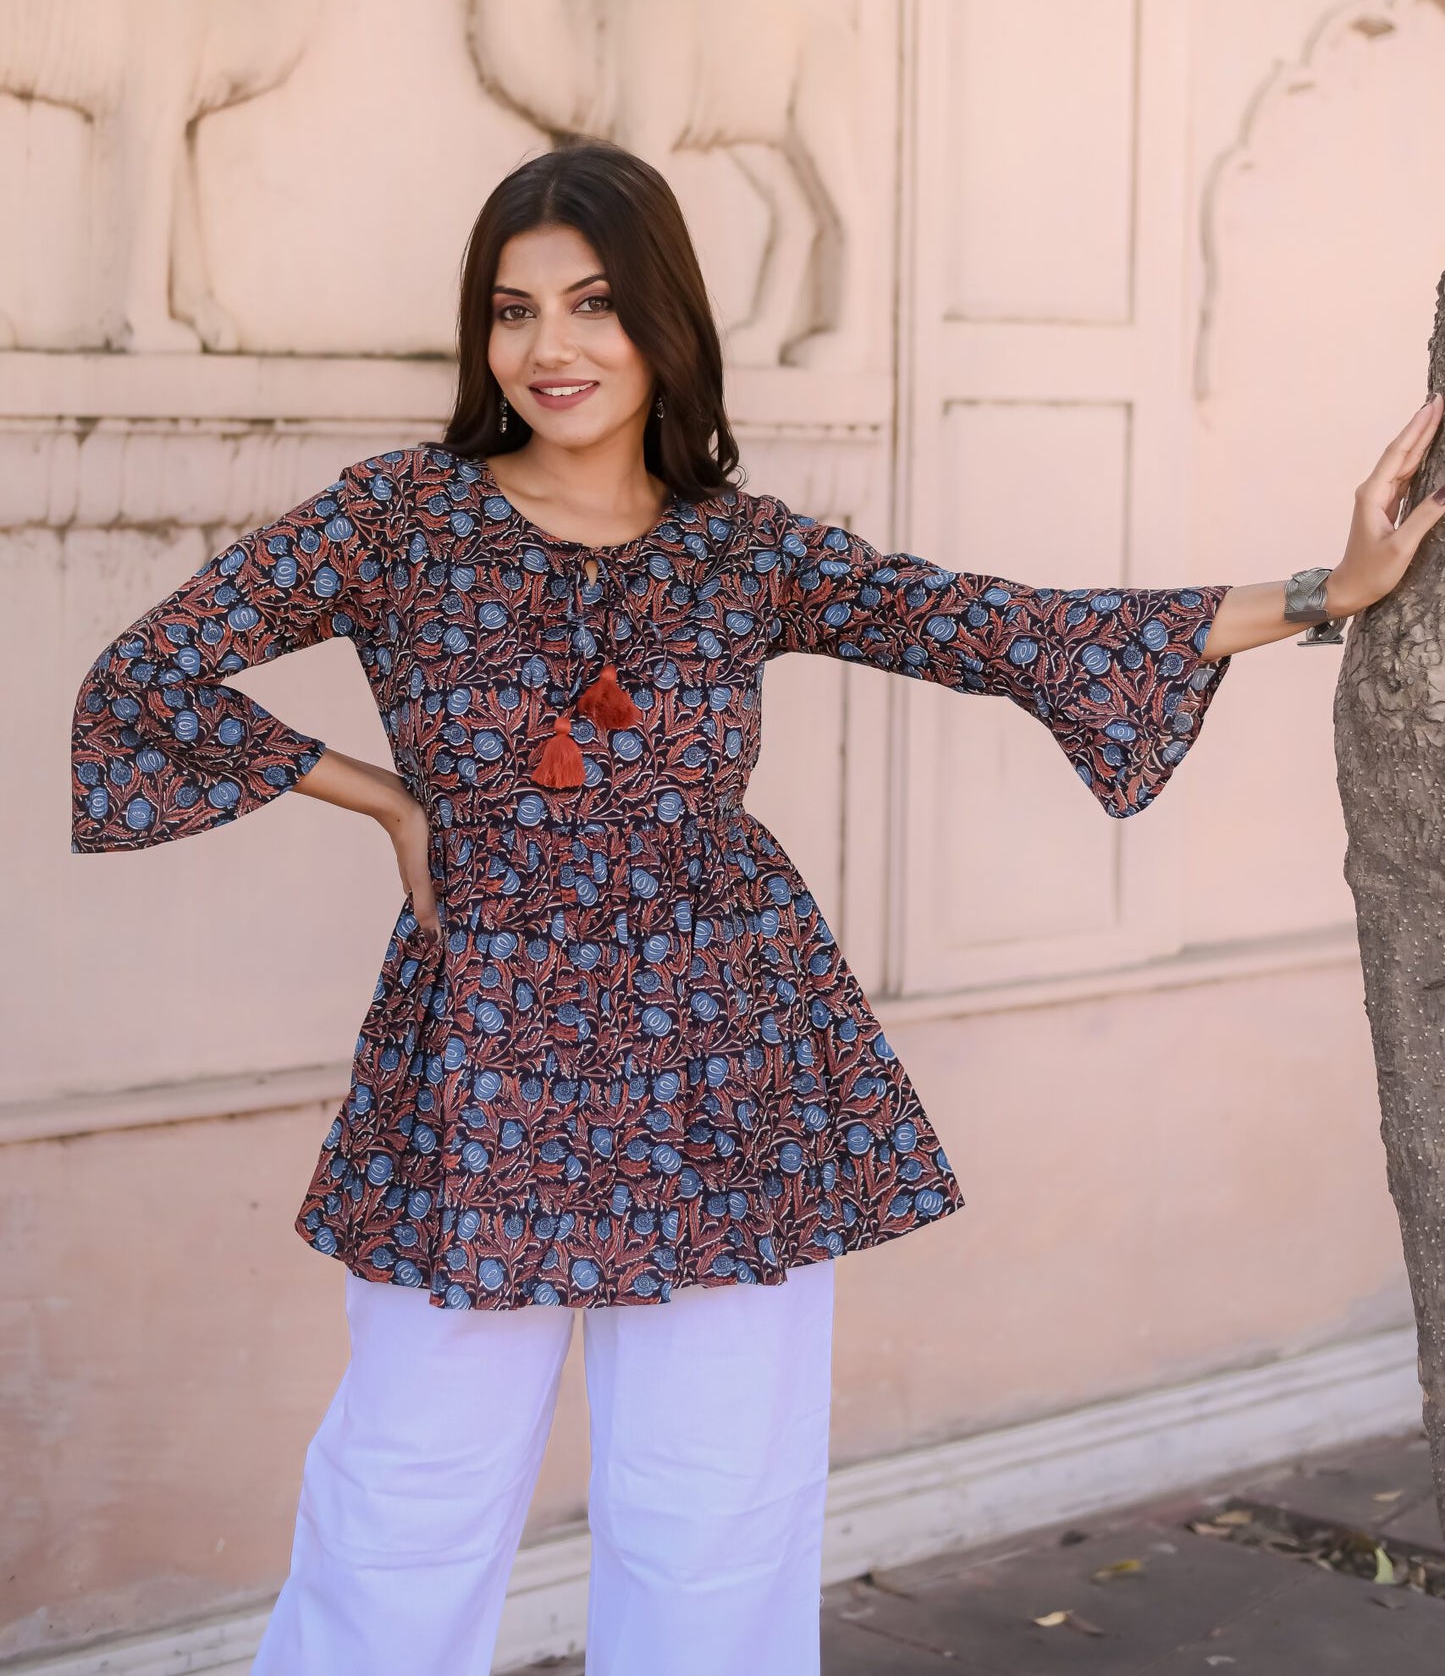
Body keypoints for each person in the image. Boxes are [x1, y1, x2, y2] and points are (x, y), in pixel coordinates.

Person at [70, 140, 1445, 1676]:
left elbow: (995, 629)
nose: (548, 348)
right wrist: (389, 800)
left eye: (592, 305)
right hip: (483, 1059)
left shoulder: (742, 549)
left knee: (716, 1503)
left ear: (663, 324)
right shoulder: (397, 520)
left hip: (726, 1057)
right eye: (511, 311)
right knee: (407, 1488)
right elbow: (144, 679)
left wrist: (1327, 591)